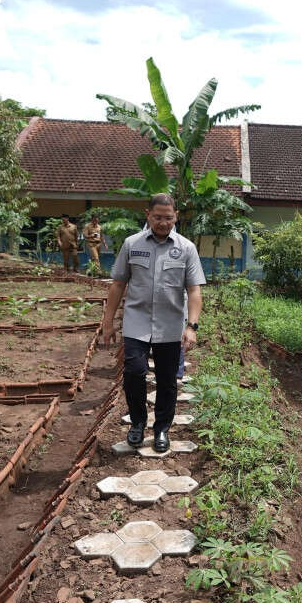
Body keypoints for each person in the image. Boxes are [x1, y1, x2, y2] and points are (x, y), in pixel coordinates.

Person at [101, 194, 204, 453]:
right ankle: (137, 423)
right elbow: (117, 284)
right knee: (134, 373)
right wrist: (108, 322)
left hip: (170, 326)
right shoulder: (131, 244)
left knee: (167, 380)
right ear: (147, 214)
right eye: (157, 217)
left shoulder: (186, 248)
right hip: (137, 322)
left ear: (176, 216)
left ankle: (161, 429)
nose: (162, 223)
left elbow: (194, 291)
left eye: (168, 218)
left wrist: (191, 326)